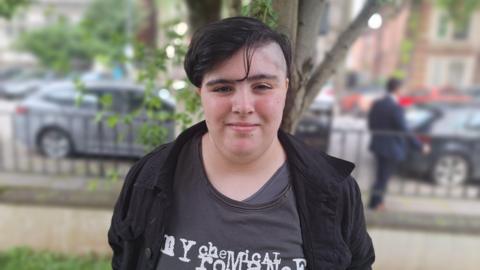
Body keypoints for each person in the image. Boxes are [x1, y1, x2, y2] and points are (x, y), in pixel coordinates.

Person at [108, 16, 375, 270]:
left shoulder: (334, 191)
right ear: (200, 93)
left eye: (262, 86)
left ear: (285, 87)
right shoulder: (148, 177)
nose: (243, 106)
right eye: (223, 88)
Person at [367, 78, 430, 210]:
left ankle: (375, 202)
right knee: (383, 178)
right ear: (397, 89)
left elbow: (371, 124)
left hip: (378, 145)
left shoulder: (377, 103)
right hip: (391, 148)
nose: (404, 91)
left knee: (380, 176)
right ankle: (376, 204)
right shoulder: (395, 107)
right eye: (403, 88)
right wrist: (420, 146)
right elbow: (404, 130)